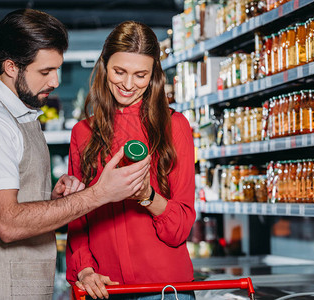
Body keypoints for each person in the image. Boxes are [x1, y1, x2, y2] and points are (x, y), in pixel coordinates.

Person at [0, 9, 151, 300]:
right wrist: (99, 193)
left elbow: (17, 202)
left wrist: (53, 199)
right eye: (45, 72)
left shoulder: (20, 111)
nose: (55, 81)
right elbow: (8, 222)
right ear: (11, 67)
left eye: (57, 69)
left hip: (17, 283)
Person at [66, 21, 196, 300]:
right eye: (119, 71)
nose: (127, 84)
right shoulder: (82, 133)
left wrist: (147, 195)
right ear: (104, 66)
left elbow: (181, 228)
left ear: (153, 76)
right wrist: (85, 269)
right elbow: (77, 217)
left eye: (140, 75)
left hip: (164, 290)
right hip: (104, 288)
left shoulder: (175, 126)